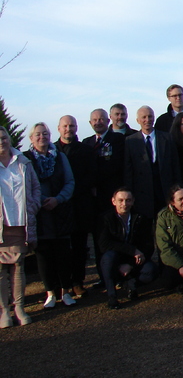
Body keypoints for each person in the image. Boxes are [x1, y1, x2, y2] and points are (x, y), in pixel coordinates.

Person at [25, 122, 76, 308]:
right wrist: (42, 200)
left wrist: (58, 199)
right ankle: (50, 293)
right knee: (44, 256)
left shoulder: (60, 157)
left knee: (63, 254)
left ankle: (65, 292)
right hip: (39, 214)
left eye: (45, 134)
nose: (42, 137)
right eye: (37, 134)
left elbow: (70, 182)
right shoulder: (25, 159)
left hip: (60, 212)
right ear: (31, 138)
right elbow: (26, 186)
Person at [0, 126, 40, 328]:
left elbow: (35, 187)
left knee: (18, 267)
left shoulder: (22, 162)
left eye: (4, 137)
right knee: (0, 270)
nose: (1, 141)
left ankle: (19, 308)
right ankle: (4, 312)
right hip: (1, 225)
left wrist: (32, 207)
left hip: (19, 223)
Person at [55, 115, 97, 298]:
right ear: (59, 128)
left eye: (71, 126)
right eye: (65, 126)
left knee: (80, 247)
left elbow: (92, 176)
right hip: (59, 206)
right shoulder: (52, 151)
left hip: (80, 204)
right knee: (61, 248)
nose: (68, 129)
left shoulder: (86, 151)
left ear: (76, 128)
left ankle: (77, 282)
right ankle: (61, 283)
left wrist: (72, 190)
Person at [98, 188, 157, 309]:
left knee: (152, 271)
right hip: (114, 260)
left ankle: (131, 284)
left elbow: (148, 246)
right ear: (113, 201)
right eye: (121, 200)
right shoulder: (105, 218)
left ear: (133, 201)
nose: (124, 204)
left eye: (128, 200)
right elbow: (104, 244)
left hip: (133, 261)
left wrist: (130, 264)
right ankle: (112, 296)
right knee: (108, 258)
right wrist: (132, 250)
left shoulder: (141, 218)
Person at [124, 106, 181, 220]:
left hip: (164, 190)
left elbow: (175, 165)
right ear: (138, 120)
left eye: (150, 116)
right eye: (143, 117)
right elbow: (128, 170)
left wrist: (177, 188)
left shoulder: (167, 138)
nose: (147, 120)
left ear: (154, 118)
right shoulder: (131, 141)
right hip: (142, 192)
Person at [83, 108, 125, 214]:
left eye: (101, 119)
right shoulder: (86, 143)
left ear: (108, 121)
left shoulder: (118, 139)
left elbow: (116, 165)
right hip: (91, 194)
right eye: (95, 120)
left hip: (111, 191)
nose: (98, 123)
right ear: (90, 122)